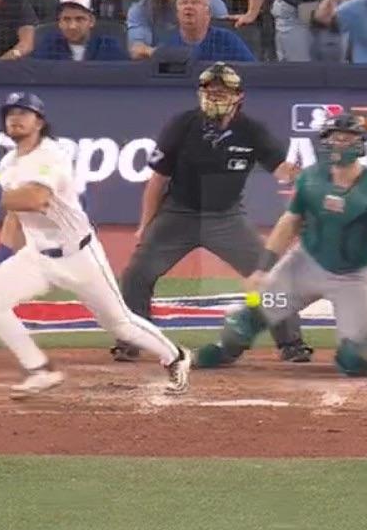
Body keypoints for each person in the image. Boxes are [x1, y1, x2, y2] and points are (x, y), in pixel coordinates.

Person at [0, 92, 192, 398]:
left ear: (39, 122)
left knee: (119, 323)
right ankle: (40, 370)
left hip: (79, 256)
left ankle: (176, 356)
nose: (15, 118)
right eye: (10, 113)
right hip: (37, 256)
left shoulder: (51, 155)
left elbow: (36, 199)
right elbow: (14, 213)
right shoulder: (8, 163)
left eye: (23, 113)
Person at [114, 63, 310, 364]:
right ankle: (131, 340)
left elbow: (281, 170)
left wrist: (300, 175)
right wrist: (145, 225)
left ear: (238, 96)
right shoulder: (182, 125)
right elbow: (158, 180)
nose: (215, 96)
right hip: (179, 214)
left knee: (269, 275)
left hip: (226, 217)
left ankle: (291, 343)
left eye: (222, 92)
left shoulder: (251, 131)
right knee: (137, 274)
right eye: (210, 91)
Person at [191, 114, 367, 378]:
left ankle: (366, 351)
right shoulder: (311, 179)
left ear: (360, 145)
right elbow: (289, 223)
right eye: (335, 138)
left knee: (355, 359)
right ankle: (224, 350)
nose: (340, 144)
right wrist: (262, 270)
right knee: (246, 319)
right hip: (304, 266)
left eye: (347, 139)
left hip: (353, 278)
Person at [163, 0, 256, 60]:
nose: (188, 7)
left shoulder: (227, 41)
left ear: (208, 14)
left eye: (195, 2)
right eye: (184, 3)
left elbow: (252, 70)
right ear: (177, 13)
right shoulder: (167, 44)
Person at [32, 0, 130, 60]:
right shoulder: (48, 47)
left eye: (79, 19)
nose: (72, 26)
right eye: (66, 19)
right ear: (59, 22)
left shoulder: (108, 47)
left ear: (91, 21)